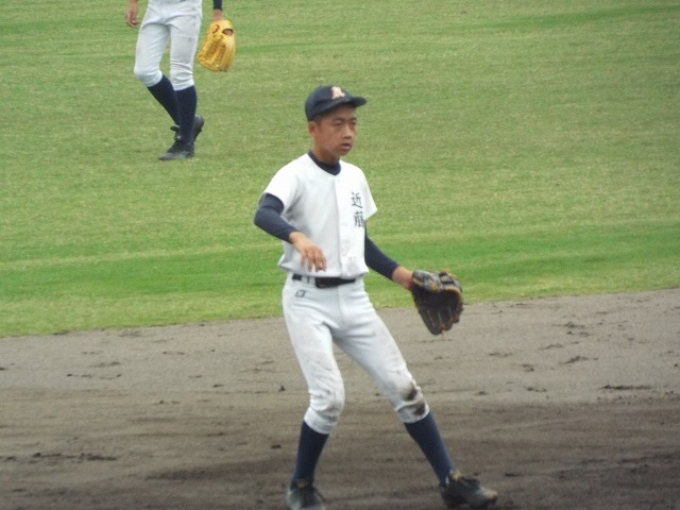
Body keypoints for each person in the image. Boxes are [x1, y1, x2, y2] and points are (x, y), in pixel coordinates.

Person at [253, 84, 498, 510]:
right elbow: (264, 212)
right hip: (307, 301)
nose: (348, 132)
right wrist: (297, 237)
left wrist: (406, 279)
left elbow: (360, 244)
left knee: (405, 389)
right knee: (329, 399)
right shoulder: (294, 174)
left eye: (352, 123)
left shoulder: (355, 177)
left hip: (354, 299)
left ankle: (451, 482)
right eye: (337, 124)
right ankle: (301, 486)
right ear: (313, 129)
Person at [125, 0, 224, 161]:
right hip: (155, 7)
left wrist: (217, 12)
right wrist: (133, 3)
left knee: (180, 73)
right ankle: (189, 121)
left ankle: (185, 143)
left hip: (186, 8)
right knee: (144, 71)